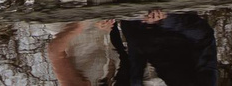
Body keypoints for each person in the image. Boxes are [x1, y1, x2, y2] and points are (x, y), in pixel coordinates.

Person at [45, 12, 219, 86]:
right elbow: (204, 38)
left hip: (75, 16)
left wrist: (101, 25)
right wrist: (166, 20)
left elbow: (122, 54)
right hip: (168, 5)